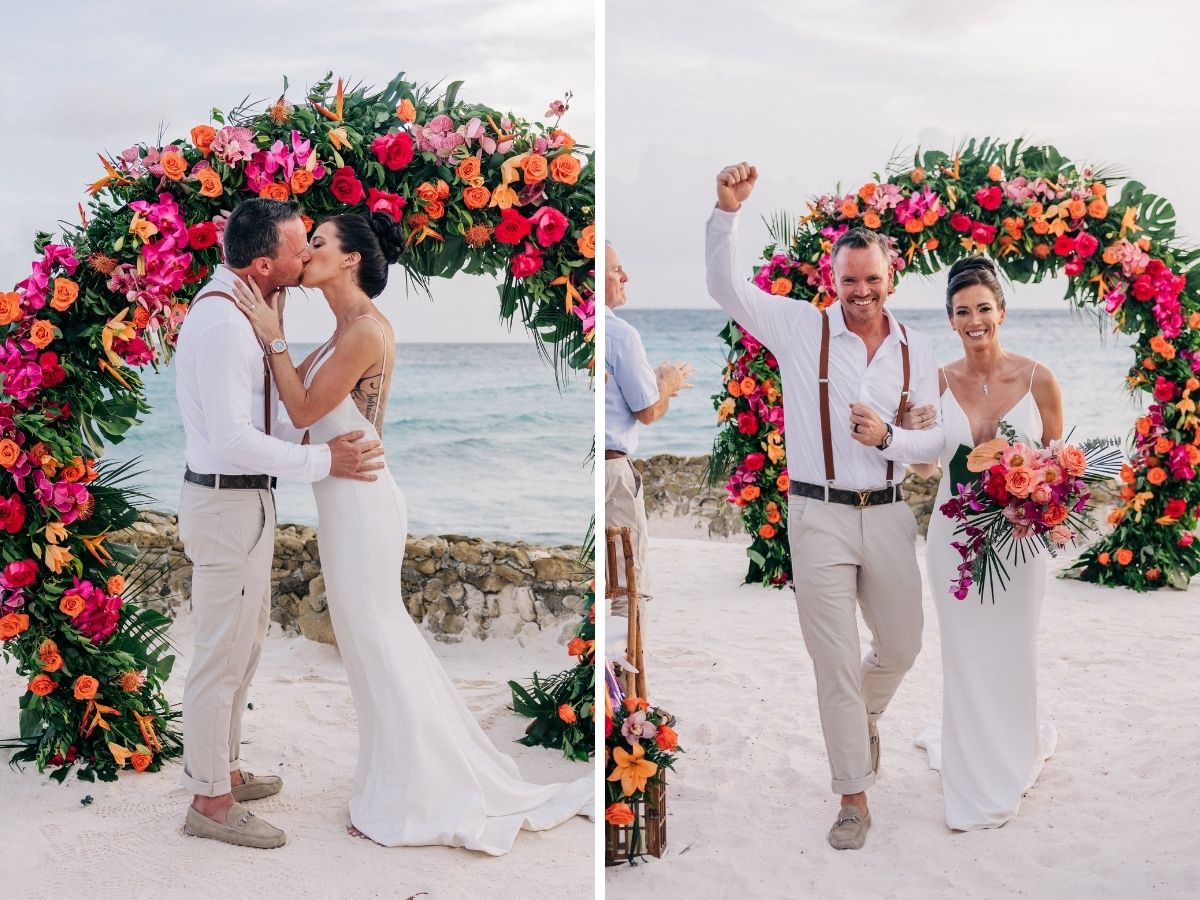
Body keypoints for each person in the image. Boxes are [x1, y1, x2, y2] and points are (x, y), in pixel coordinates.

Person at [231, 211, 592, 855]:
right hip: (343, 503)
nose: (305, 252)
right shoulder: (340, 332)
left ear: (350, 259)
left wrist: (274, 337)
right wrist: (276, 325)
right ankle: (395, 780)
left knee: (378, 638)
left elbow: (304, 407)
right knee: (366, 641)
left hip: (363, 505)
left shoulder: (366, 330)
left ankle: (423, 792)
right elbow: (295, 408)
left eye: (318, 243)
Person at [706, 162, 942, 850]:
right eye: (849, 280)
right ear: (830, 280)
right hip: (818, 517)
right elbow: (725, 287)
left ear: (891, 277)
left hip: (890, 512)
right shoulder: (797, 329)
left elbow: (928, 451)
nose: (861, 291)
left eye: (872, 279)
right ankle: (852, 797)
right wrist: (727, 213)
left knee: (903, 645)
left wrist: (893, 435)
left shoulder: (917, 348)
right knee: (833, 661)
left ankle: (860, 721)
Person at [175, 198, 385, 849]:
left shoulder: (246, 312)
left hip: (247, 502)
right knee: (220, 655)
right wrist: (324, 461)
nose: (307, 255)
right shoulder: (224, 324)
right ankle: (209, 802)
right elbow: (233, 438)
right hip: (226, 503)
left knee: (244, 648)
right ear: (264, 264)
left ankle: (226, 770)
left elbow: (270, 418)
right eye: (299, 247)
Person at [908, 256, 1062, 830]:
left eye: (984, 309)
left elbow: (1058, 467)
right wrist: (911, 430)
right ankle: (972, 769)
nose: (975, 321)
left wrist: (1032, 489)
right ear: (950, 319)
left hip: (1019, 541)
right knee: (964, 651)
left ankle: (1013, 753)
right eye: (962, 311)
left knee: (1014, 646)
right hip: (953, 537)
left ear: (1002, 311)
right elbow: (925, 469)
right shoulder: (935, 382)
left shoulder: (1039, 379)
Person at [603, 241, 692, 620]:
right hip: (612, 474)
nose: (625, 276)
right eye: (615, 269)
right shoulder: (619, 334)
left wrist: (654, 382)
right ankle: (624, 660)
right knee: (628, 589)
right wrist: (667, 384)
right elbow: (648, 411)